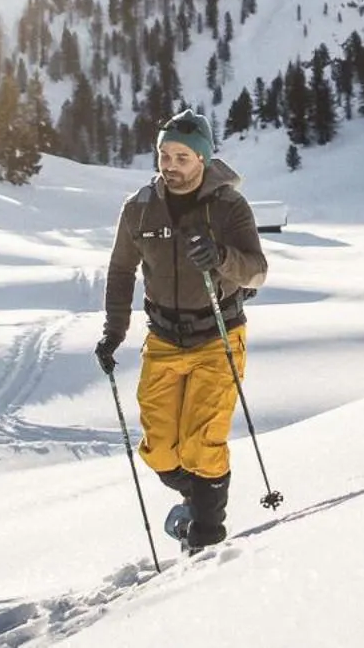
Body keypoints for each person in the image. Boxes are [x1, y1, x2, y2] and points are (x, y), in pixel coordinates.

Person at [95, 109, 268, 553]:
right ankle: (197, 501)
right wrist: (115, 331)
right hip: (164, 339)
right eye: (164, 155)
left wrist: (221, 256)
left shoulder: (229, 206)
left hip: (219, 335)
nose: (170, 166)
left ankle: (206, 541)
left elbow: (257, 271)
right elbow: (120, 270)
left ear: (204, 160)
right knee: (160, 450)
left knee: (203, 443)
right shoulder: (138, 209)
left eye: (182, 158)